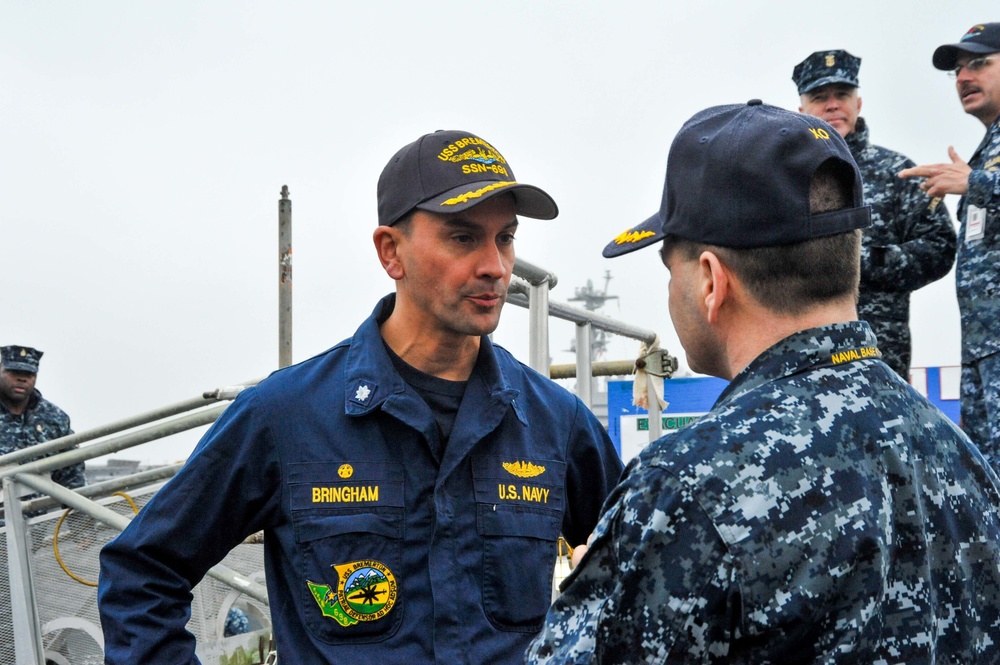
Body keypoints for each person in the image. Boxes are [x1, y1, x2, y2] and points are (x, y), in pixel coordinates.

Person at [97, 130, 624, 664]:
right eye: (464, 238)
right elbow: (144, 572)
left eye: (505, 238)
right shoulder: (286, 416)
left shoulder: (555, 424)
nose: (495, 265)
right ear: (391, 252)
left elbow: (644, 573)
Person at [526, 101, 1000, 664]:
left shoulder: (686, 487)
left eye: (668, 267)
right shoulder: (964, 460)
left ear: (710, 280)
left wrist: (598, 589)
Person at [792, 50, 957, 380]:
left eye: (842, 95)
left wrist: (864, 261)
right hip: (800, 349)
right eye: (819, 97)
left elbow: (939, 246)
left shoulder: (897, 172)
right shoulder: (785, 176)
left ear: (858, 104)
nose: (832, 104)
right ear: (802, 110)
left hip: (879, 352)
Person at [899, 22, 1000, 470]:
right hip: (982, 349)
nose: (962, 78)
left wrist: (976, 183)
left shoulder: (979, 171)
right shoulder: (987, 148)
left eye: (979, 63)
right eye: (957, 70)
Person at [0, 345, 85, 490]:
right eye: (14, 372)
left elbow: (71, 475)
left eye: (29, 374)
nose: (22, 379)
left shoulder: (54, 418)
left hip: (41, 510)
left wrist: (80, 511)